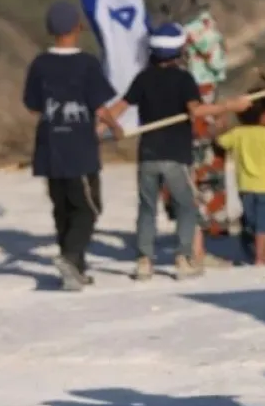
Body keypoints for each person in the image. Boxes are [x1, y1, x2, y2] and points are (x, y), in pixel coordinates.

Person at [102, 23, 250, 280]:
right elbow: (196, 111)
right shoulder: (183, 79)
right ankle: (183, 259)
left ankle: (144, 262)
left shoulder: (143, 78)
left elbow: (118, 107)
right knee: (186, 207)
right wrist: (229, 106)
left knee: (147, 208)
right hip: (175, 157)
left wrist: (105, 126)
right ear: (179, 50)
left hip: (147, 155)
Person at [22, 1, 124, 291]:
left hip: (49, 148)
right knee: (89, 208)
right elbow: (100, 107)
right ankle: (69, 258)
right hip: (78, 149)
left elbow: (33, 107)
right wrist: (115, 127)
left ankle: (74, 270)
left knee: (63, 209)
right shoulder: (87, 63)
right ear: (76, 28)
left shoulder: (40, 64)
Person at [158, 0, 230, 239]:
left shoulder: (164, 23)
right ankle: (209, 226)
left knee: (180, 161)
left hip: (171, 101)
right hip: (203, 99)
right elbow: (218, 64)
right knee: (207, 161)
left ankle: (185, 221)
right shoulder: (201, 24)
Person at [216, 100, 265, 264]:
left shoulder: (238, 133)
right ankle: (261, 256)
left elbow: (220, 142)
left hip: (245, 186)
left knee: (253, 222)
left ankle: (260, 252)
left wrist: (222, 123)